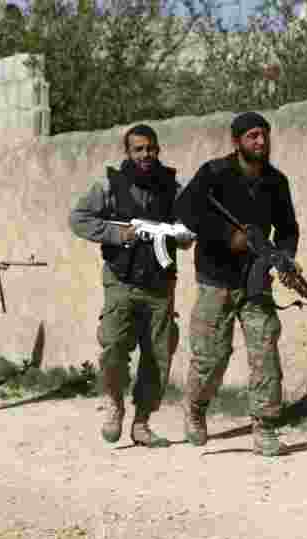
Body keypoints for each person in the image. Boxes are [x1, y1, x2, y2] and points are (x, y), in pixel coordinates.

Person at [174, 111, 303, 457]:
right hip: (216, 277)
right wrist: (226, 236)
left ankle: (265, 427)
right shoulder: (214, 173)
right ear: (237, 141)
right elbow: (185, 210)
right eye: (252, 136)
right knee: (211, 356)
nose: (260, 141)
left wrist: (284, 259)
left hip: (256, 279)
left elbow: (288, 229)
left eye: (264, 135)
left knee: (265, 352)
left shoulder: (276, 182)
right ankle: (195, 407)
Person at [70, 124, 189, 448]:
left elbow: (189, 229)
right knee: (113, 345)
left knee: (159, 353)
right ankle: (114, 404)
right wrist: (118, 234)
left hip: (160, 283)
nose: (146, 154)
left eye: (151, 148)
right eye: (138, 149)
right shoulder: (110, 185)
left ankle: (142, 422)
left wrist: (180, 233)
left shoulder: (173, 188)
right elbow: (79, 219)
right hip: (121, 280)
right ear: (128, 152)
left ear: (158, 150)